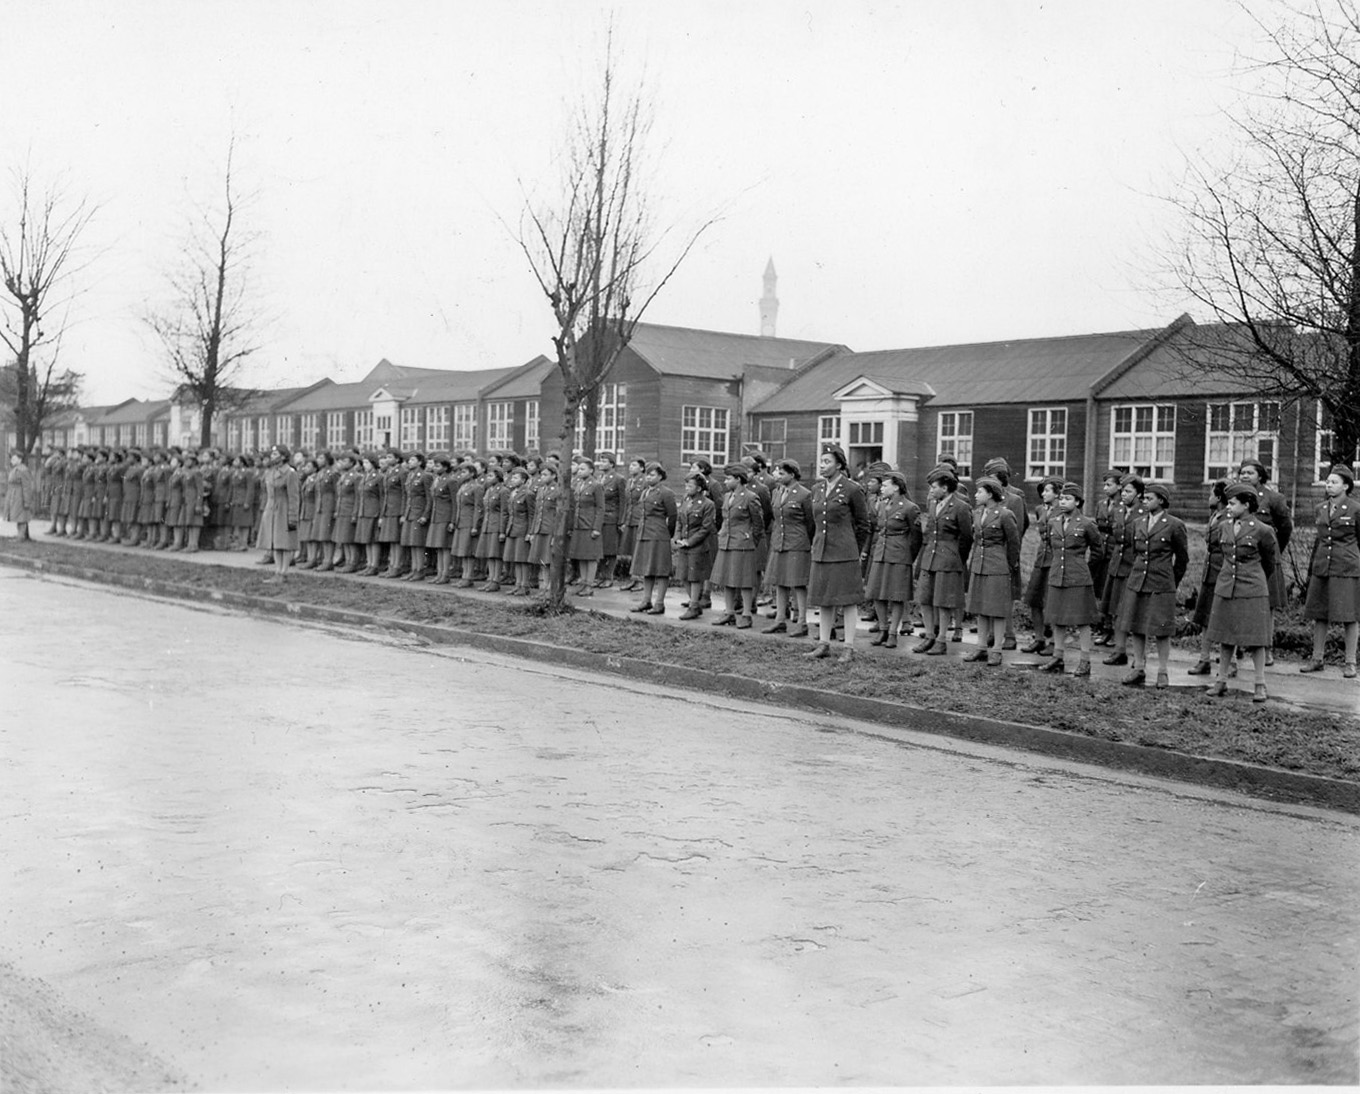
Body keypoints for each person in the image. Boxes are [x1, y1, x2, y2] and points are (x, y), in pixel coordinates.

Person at [1205, 483, 1277, 702]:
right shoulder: (1223, 527)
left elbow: (1269, 562)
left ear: (1246, 505)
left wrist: (1253, 579)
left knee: (1256, 639)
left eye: (1233, 503)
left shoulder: (1262, 530)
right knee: (1226, 637)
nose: (1229, 507)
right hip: (1227, 586)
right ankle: (1221, 680)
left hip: (1252, 589)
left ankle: (1259, 684)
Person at [1116, 482, 1189, 688]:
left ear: (1162, 501)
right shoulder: (1138, 523)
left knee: (1161, 628)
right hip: (1138, 581)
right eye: (1145, 498)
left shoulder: (1175, 525)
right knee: (1136, 625)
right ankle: (1139, 667)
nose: (1145, 502)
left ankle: (1163, 671)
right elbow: (1134, 553)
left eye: (1150, 498)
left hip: (1161, 583)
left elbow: (1182, 559)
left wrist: (1171, 581)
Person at [806, 442, 870, 661]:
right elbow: (812, 523)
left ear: (839, 465)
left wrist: (854, 550)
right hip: (821, 552)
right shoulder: (817, 489)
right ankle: (824, 643)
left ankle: (848, 647)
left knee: (847, 600)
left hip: (845, 554)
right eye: (821, 461)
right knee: (824, 599)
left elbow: (863, 525)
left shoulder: (852, 489)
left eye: (827, 462)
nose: (822, 466)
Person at [1300, 464, 1360, 677]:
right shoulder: (1320, 508)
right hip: (1322, 566)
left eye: (1334, 482)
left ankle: (1350, 662)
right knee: (1319, 613)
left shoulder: (1355, 508)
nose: (1329, 485)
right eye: (1328, 482)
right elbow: (1320, 539)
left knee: (1349, 615)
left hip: (1345, 567)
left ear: (1346, 486)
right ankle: (1317, 658)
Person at [1040, 482, 1104, 676]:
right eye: (1062, 498)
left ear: (1077, 502)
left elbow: (1098, 551)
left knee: (1082, 620)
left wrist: (1084, 569)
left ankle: (1085, 661)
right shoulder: (1053, 522)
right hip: (1057, 575)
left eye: (1068, 499)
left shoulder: (1086, 523)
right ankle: (1057, 658)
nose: (1063, 502)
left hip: (1078, 577)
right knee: (1057, 617)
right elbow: (1051, 546)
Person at [912, 464, 973, 655]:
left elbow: (967, 537)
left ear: (945, 488)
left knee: (943, 601)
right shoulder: (932, 504)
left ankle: (941, 640)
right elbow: (930, 530)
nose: (931, 491)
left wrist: (957, 559)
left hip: (948, 559)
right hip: (930, 556)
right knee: (925, 598)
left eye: (934, 487)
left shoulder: (961, 507)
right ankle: (929, 636)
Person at [1237, 457, 1293, 664]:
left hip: (1266, 560)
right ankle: (1240, 646)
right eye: (1242, 472)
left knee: (1266, 606)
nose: (1245, 476)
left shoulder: (1273, 498)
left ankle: (1267, 649)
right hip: (1243, 559)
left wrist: (1275, 551)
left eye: (1250, 472)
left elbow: (1285, 528)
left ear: (1260, 475)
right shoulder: (1236, 497)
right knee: (1241, 604)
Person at [963, 476, 1021, 667]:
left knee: (996, 610)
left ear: (990, 494)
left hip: (997, 566)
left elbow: (1014, 543)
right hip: (979, 564)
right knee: (981, 609)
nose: (976, 494)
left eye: (980, 491)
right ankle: (980, 647)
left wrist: (1010, 565)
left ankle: (996, 649)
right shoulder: (978, 513)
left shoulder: (1005, 514)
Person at [865, 471, 922, 649]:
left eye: (885, 485)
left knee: (896, 596)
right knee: (877, 593)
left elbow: (916, 538)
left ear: (896, 487)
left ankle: (892, 633)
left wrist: (907, 557)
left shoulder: (910, 508)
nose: (881, 488)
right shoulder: (882, 505)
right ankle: (883, 628)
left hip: (899, 556)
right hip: (881, 553)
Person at [709, 462, 765, 628]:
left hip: (742, 544)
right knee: (727, 579)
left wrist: (749, 541)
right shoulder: (727, 497)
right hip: (726, 542)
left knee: (744, 581)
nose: (725, 482)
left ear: (739, 479)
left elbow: (758, 524)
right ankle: (729, 613)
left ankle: (747, 614)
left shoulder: (750, 497)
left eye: (729, 478)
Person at [763, 458, 814, 637]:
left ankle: (802, 622)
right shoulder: (776, 492)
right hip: (779, 542)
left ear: (792, 475)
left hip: (797, 543)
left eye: (782, 473)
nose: (777, 475)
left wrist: (807, 542)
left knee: (798, 583)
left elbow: (811, 522)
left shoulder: (804, 494)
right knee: (780, 581)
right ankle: (779, 620)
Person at [1100, 473, 1146, 666]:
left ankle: (1139, 657)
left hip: (1133, 566)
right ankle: (1120, 651)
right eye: (1124, 491)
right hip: (1116, 564)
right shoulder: (1118, 510)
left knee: (1132, 611)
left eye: (1129, 491)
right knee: (1116, 609)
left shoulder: (1143, 512)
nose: (1125, 495)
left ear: (1139, 493)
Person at [1187, 480, 1231, 676]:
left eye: (1211, 494)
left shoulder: (1228, 518)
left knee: (1224, 618)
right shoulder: (1214, 516)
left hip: (1222, 572)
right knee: (1205, 617)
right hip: (1209, 571)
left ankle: (1230, 663)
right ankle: (1204, 659)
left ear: (1219, 497)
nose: (1208, 498)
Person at [628, 462, 678, 615]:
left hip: (659, 535)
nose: (649, 477)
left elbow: (673, 516)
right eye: (647, 475)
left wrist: (667, 534)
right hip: (644, 534)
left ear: (660, 477)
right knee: (647, 569)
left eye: (653, 475)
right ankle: (646, 600)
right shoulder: (645, 492)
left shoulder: (666, 493)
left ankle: (660, 603)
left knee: (661, 570)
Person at [1021, 477, 1062, 655]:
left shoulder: (1063, 510)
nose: (1043, 494)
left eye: (1047, 490)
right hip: (1041, 557)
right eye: (1043, 490)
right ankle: (1039, 638)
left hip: (1055, 559)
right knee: (1034, 599)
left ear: (1058, 493)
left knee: (1052, 601)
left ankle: (1054, 642)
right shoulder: (1040, 509)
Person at [673, 472, 717, 621]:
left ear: (699, 488)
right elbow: (680, 520)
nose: (687, 488)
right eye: (686, 485)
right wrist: (677, 537)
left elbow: (706, 528)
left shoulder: (708, 504)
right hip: (684, 543)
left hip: (698, 546)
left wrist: (690, 541)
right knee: (683, 576)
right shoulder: (686, 500)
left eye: (690, 485)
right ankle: (695, 603)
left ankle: (693, 606)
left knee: (694, 577)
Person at [257, 444, 300, 581]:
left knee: (285, 542)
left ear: (283, 457)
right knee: (274, 542)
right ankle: (277, 571)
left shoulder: (290, 473)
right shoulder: (270, 472)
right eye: (272, 455)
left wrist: (293, 517)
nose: (272, 457)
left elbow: (294, 497)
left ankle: (284, 572)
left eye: (275, 455)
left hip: (284, 510)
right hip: (271, 509)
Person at [567, 455, 605, 594]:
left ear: (591, 470)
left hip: (590, 525)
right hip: (579, 524)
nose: (579, 471)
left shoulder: (596, 485)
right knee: (581, 555)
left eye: (583, 469)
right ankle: (583, 583)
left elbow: (601, 508)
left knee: (591, 556)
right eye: (579, 469)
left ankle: (589, 585)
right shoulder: (578, 484)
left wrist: (596, 528)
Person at [501, 465, 537, 595]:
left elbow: (532, 514)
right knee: (516, 559)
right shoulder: (512, 492)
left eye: (515, 478)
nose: (512, 480)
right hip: (512, 529)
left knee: (523, 559)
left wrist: (530, 532)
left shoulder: (528, 494)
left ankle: (525, 585)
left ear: (523, 480)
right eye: (512, 477)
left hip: (523, 529)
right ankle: (518, 584)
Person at [400, 452, 433, 581]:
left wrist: (425, 515)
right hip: (410, 512)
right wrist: (404, 513)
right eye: (409, 460)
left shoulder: (425, 476)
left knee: (418, 544)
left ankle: (420, 570)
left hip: (419, 513)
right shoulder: (410, 476)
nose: (409, 462)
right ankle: (414, 569)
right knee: (412, 543)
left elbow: (429, 498)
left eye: (413, 460)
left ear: (420, 462)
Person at [425, 453, 456, 584]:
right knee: (438, 546)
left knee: (445, 547)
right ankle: (439, 573)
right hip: (436, 516)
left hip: (446, 516)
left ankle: (445, 574)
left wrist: (453, 521)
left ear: (445, 467)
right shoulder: (436, 480)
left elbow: (455, 503)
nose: (435, 468)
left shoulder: (451, 480)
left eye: (438, 466)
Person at [619, 457, 647, 591]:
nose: (631, 467)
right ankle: (634, 579)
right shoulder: (629, 481)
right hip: (630, 518)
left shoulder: (645, 481)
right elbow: (627, 502)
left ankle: (640, 580)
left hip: (639, 518)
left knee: (639, 549)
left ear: (642, 468)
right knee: (631, 549)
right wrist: (624, 520)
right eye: (630, 465)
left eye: (634, 465)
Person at [5, 451, 36, 540]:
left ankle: (21, 536)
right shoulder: (15, 469)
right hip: (14, 495)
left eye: (14, 459)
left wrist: (27, 501)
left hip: (20, 496)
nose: (12, 460)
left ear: (20, 460)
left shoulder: (23, 470)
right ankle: (20, 534)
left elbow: (27, 487)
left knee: (21, 517)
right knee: (17, 516)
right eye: (12, 458)